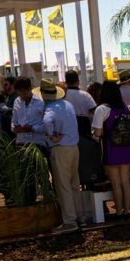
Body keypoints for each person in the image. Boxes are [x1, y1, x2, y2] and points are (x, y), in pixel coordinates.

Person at [40, 79, 84, 233]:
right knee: (74, 184)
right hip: (73, 147)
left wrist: (51, 135)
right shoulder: (68, 104)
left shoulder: (50, 108)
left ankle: (69, 221)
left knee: (63, 186)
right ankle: (80, 217)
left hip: (60, 149)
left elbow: (46, 122)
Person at [91, 80, 130, 217]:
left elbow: (98, 133)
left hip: (111, 148)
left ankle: (118, 211)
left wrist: (94, 133)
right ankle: (128, 210)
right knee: (125, 181)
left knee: (115, 183)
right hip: (126, 147)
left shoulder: (102, 109)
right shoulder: (125, 108)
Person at [63, 70, 97, 139]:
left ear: (66, 82)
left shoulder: (63, 97)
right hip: (85, 133)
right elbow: (95, 112)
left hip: (68, 133)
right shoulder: (86, 95)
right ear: (78, 81)